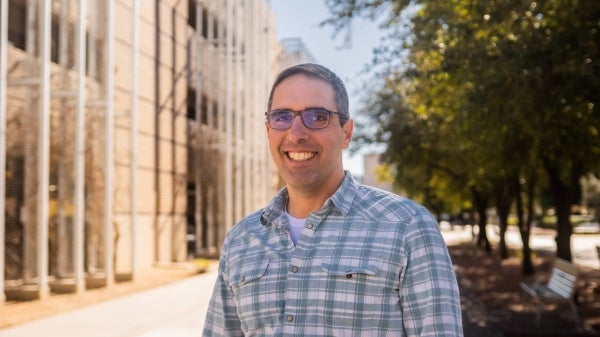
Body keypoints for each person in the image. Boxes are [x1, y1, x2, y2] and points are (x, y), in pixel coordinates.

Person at [202, 63, 463, 336]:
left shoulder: (407, 226)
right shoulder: (242, 239)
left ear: (346, 133)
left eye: (317, 117)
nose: (297, 133)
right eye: (282, 117)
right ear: (269, 132)